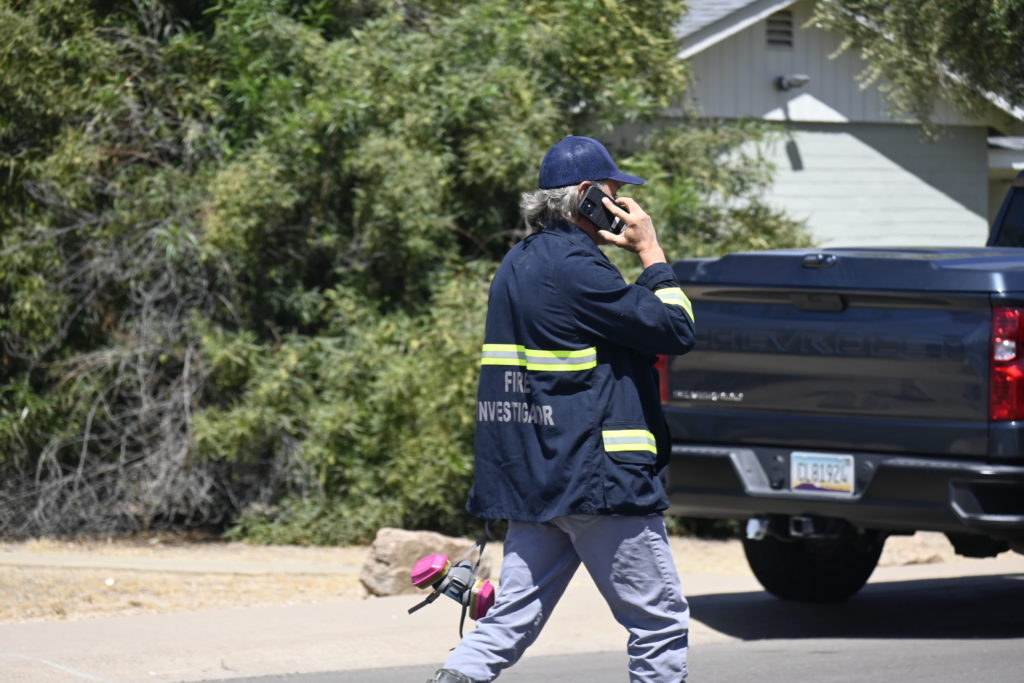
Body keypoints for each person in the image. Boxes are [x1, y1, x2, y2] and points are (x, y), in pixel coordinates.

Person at [427, 136, 696, 683]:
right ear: (586, 195)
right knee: (659, 624)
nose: (621, 205)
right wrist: (651, 253)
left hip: (539, 481)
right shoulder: (577, 266)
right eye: (614, 193)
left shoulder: (517, 263)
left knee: (507, 623)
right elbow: (676, 329)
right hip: (600, 483)